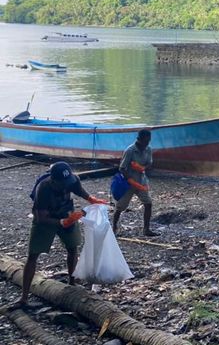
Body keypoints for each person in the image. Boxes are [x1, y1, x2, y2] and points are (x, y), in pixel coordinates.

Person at [14, 162, 108, 308]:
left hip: (66, 212)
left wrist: (91, 199)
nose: (65, 186)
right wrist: (62, 222)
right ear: (53, 180)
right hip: (47, 220)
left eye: (67, 182)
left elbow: (79, 190)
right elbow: (41, 217)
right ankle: (24, 297)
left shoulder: (72, 179)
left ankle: (72, 282)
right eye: (62, 183)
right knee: (33, 254)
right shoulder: (43, 189)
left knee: (72, 247)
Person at [112, 129, 158, 236]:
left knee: (148, 203)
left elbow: (149, 164)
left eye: (148, 141)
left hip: (141, 181)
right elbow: (122, 168)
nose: (146, 144)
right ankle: (114, 227)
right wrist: (130, 179)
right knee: (120, 207)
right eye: (145, 141)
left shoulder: (148, 149)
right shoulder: (130, 151)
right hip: (128, 183)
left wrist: (142, 167)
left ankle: (146, 229)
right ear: (139, 139)